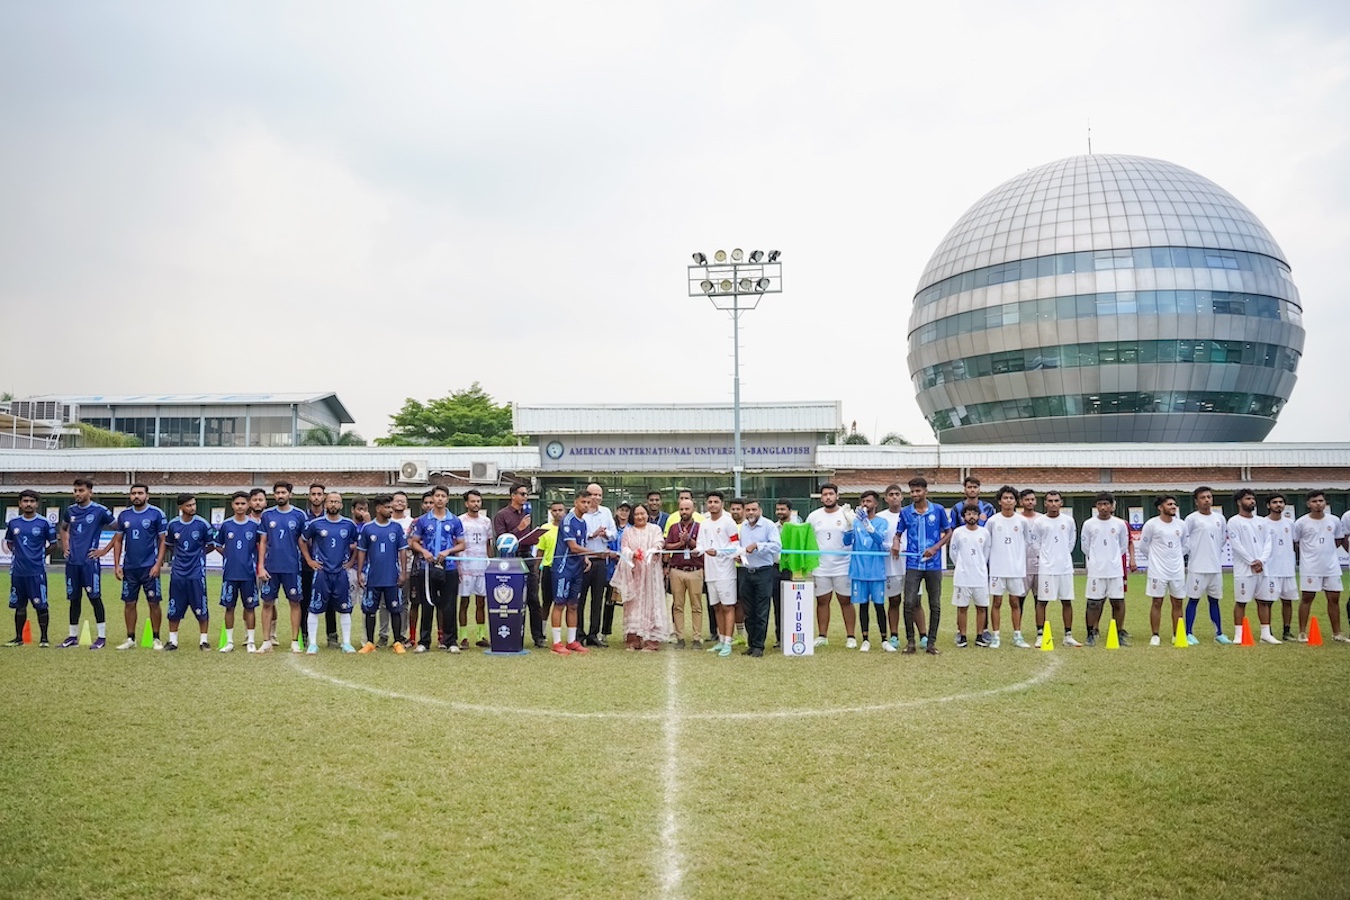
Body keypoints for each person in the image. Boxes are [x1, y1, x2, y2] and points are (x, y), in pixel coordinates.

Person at [408, 485, 466, 653]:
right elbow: (414, 541)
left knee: (449, 605)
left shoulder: (454, 520)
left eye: (443, 496)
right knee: (427, 603)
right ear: (432, 499)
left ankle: (451, 642)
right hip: (427, 569)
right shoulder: (423, 521)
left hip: (449, 568)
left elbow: (462, 544)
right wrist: (424, 551)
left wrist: (448, 551)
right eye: (437, 496)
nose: (440, 499)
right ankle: (424, 642)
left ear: (447, 499)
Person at [299, 491, 359, 654]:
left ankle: (346, 643)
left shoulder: (349, 525)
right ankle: (312, 644)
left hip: (341, 573)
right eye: (330, 501)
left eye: (336, 502)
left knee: (345, 607)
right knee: (314, 607)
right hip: (321, 573)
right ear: (325, 504)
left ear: (341, 505)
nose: (333, 504)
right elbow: (302, 540)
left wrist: (352, 561)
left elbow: (359, 544)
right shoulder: (316, 524)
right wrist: (310, 561)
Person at [58, 477, 115, 649]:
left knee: (94, 598)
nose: (77, 494)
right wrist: (65, 546)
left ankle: (102, 637)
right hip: (72, 563)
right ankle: (72, 636)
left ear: (90, 491)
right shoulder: (70, 511)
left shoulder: (100, 511)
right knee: (74, 599)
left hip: (89, 563)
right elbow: (63, 528)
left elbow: (119, 529)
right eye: (75, 490)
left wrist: (104, 551)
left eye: (81, 490)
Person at [110, 483, 168, 650]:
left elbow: (163, 540)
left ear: (147, 496)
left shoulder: (156, 514)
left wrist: (158, 563)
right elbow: (119, 540)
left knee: (154, 603)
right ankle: (130, 639)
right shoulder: (124, 515)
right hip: (130, 568)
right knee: (129, 603)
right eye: (133, 493)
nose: (137, 496)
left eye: (140, 493)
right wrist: (117, 565)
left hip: (150, 567)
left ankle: (156, 638)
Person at [899, 477, 949, 653]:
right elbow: (898, 533)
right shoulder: (905, 512)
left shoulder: (939, 510)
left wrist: (935, 548)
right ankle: (911, 642)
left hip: (933, 565)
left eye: (918, 491)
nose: (914, 494)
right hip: (913, 564)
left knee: (934, 604)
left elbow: (948, 532)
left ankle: (931, 644)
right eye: (912, 491)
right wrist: (896, 543)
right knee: (909, 602)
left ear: (925, 491)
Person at [257, 482, 308, 654]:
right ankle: (266, 641)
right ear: (274, 495)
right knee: (267, 603)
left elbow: (303, 541)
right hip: (271, 567)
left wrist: (308, 560)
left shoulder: (299, 515)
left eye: (283, 492)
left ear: (290, 495)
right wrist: (261, 566)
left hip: (292, 567)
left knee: (294, 602)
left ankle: (294, 640)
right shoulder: (267, 515)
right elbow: (263, 542)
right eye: (277, 492)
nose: (280, 495)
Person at [493, 483, 547, 649]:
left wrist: (533, 537)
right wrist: (519, 528)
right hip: (510, 559)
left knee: (533, 598)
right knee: (512, 599)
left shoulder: (527, 514)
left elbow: (527, 535)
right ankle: (513, 634)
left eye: (526, 494)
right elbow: (501, 541)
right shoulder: (502, 515)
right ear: (513, 495)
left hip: (527, 556)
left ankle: (538, 637)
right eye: (522, 494)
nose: (525, 497)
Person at [5, 489, 58, 647]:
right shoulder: (13, 523)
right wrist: (18, 553)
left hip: (36, 572)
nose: (28, 504)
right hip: (18, 572)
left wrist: (39, 555)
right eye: (25, 501)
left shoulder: (44, 523)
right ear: (20, 504)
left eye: (32, 501)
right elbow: (9, 542)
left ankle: (44, 639)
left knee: (41, 605)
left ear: (37, 504)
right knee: (19, 606)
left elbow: (53, 545)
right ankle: (18, 638)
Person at [612, 503, 669, 650]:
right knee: (633, 605)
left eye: (642, 513)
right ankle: (633, 639)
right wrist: (632, 554)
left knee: (652, 604)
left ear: (647, 514)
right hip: (634, 573)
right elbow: (624, 548)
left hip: (651, 574)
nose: (639, 517)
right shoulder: (628, 532)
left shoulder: (655, 529)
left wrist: (653, 550)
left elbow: (659, 542)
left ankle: (652, 641)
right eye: (636, 514)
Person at [160, 493, 212, 651]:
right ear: (180, 507)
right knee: (174, 606)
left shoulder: (202, 524)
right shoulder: (173, 525)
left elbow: (209, 545)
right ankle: (172, 641)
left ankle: (203, 641)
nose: (192, 508)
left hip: (196, 572)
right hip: (178, 573)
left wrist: (198, 556)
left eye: (194, 504)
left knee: (201, 606)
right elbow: (168, 544)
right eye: (189, 505)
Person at [356, 495, 408, 654]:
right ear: (378, 509)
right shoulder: (368, 528)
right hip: (373, 577)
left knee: (395, 609)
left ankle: (398, 641)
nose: (390, 510)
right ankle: (370, 643)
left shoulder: (396, 528)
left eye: (391, 507)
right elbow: (361, 552)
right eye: (387, 507)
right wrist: (359, 573)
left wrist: (404, 572)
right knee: (370, 610)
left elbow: (403, 551)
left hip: (392, 577)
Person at [1293, 490, 1347, 642]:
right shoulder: (1301, 522)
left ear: (1325, 503)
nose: (1318, 504)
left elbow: (1338, 540)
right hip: (1310, 567)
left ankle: (1337, 633)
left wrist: (1327, 554)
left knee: (1334, 598)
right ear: (1308, 504)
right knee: (1307, 598)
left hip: (1331, 566)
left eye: (1321, 501)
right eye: (1315, 501)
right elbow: (1295, 542)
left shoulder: (1334, 520)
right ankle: (1302, 632)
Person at [212, 491, 262, 652]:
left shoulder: (254, 526)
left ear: (248, 505)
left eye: (243, 504)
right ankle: (230, 642)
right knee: (229, 607)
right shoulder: (226, 525)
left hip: (248, 573)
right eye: (237, 504)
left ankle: (251, 641)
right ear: (232, 505)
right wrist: (228, 555)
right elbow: (217, 544)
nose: (240, 507)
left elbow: (261, 545)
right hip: (230, 573)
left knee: (250, 607)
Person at [806, 483, 854, 648]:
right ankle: (822, 636)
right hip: (821, 566)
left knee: (845, 600)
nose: (828, 497)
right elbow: (808, 540)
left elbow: (854, 538)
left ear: (837, 496)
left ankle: (851, 637)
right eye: (825, 494)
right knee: (822, 601)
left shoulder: (847, 514)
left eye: (831, 494)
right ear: (821, 497)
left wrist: (852, 525)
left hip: (843, 565)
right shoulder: (813, 516)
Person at [1081, 492, 1130, 646]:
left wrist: (1112, 559)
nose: (1103, 507)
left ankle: (1118, 633)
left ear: (1112, 506)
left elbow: (1123, 547)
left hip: (1115, 570)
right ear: (1096, 506)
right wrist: (1097, 560)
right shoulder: (1089, 524)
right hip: (1096, 570)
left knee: (1118, 602)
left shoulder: (1120, 524)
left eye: (1106, 504)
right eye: (1100, 504)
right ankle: (1090, 633)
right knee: (1093, 603)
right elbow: (1085, 547)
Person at [1184, 486, 1230, 645]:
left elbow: (1222, 539)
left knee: (1215, 601)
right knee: (1193, 600)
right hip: (1197, 567)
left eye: (1209, 497)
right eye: (1203, 497)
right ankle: (1188, 633)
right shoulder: (1191, 519)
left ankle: (1219, 633)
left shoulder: (1220, 518)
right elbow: (1185, 540)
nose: (1207, 500)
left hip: (1215, 567)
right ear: (1197, 501)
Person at [1032, 490, 1079, 647]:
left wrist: (1062, 556)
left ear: (1061, 502)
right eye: (1050, 501)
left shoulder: (1069, 521)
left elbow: (1071, 542)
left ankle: (1068, 635)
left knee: (1066, 601)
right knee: (1042, 601)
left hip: (1065, 568)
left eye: (1056, 501)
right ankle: (1040, 635)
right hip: (1046, 569)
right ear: (1045, 503)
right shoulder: (1039, 522)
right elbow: (1035, 544)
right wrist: (1046, 558)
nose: (1053, 504)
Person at [1138, 495, 1187, 646]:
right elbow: (1144, 547)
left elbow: (1185, 545)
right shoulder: (1152, 524)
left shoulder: (1181, 524)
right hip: (1158, 571)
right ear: (1160, 507)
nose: (1173, 506)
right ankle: (1155, 635)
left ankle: (1176, 634)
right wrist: (1156, 560)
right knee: (1157, 602)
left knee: (1178, 602)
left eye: (1174, 504)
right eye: (1169, 504)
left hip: (1177, 571)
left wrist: (1175, 559)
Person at [1227, 488, 1274, 644]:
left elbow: (1268, 543)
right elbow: (1236, 545)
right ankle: (1239, 634)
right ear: (1240, 502)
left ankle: (1265, 634)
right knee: (1241, 602)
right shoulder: (1234, 521)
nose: (1251, 501)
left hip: (1262, 568)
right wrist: (1252, 562)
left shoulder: (1262, 521)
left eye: (1253, 499)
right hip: (1244, 569)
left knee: (1264, 601)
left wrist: (1262, 560)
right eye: (1248, 499)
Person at [698, 491, 741, 657]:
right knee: (716, 607)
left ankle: (728, 643)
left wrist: (719, 553)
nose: (712, 505)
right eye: (710, 502)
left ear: (722, 504)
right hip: (711, 572)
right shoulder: (704, 523)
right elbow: (701, 544)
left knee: (727, 606)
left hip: (726, 572)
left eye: (716, 502)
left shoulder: (728, 522)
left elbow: (735, 545)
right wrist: (698, 551)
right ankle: (721, 639)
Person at [551, 488, 592, 655]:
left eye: (589, 503)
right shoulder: (568, 520)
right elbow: (573, 547)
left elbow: (581, 546)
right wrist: (595, 553)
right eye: (583, 502)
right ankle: (556, 642)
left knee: (573, 605)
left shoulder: (583, 522)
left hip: (577, 568)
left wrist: (586, 558)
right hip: (563, 567)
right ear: (576, 502)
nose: (586, 505)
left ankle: (572, 641)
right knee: (559, 603)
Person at [987, 486, 1030, 648]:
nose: (1008, 501)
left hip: (1016, 569)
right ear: (1000, 501)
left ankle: (1017, 635)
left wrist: (1018, 561)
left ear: (1016, 501)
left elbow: (1026, 542)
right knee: (996, 602)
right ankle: (996, 636)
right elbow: (988, 543)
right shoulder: (993, 521)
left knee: (1015, 602)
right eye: (1005, 498)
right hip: (997, 569)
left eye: (1011, 498)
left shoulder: (1022, 521)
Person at [738, 499, 780, 657]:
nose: (750, 513)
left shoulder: (769, 526)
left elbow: (777, 546)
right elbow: (740, 546)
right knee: (748, 611)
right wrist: (738, 554)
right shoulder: (743, 527)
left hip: (764, 572)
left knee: (762, 610)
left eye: (753, 510)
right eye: (747, 510)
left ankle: (759, 646)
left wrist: (757, 545)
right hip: (746, 571)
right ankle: (751, 644)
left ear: (760, 511)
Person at [849, 490, 889, 652]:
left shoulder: (882, 521)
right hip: (859, 570)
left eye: (869, 501)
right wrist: (847, 524)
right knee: (863, 606)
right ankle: (865, 639)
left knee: (879, 606)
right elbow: (846, 541)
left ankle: (884, 639)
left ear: (876, 504)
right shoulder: (855, 522)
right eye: (863, 501)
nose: (866, 504)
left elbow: (880, 540)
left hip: (876, 570)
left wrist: (867, 524)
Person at [949, 502, 991, 650]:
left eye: (974, 513)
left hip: (980, 576)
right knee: (962, 607)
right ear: (964, 516)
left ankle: (980, 636)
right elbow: (953, 553)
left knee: (981, 607)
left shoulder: (984, 533)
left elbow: (986, 553)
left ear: (979, 516)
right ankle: (963, 636)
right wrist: (962, 565)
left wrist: (978, 565)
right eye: (968, 514)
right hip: (963, 576)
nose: (971, 516)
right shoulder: (958, 532)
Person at [580, 483, 617, 647]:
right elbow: (576, 536)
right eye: (593, 495)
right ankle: (579, 634)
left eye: (599, 495)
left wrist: (605, 534)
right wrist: (592, 534)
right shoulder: (581, 513)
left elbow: (614, 534)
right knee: (580, 599)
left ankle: (593, 634)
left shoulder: (606, 512)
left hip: (601, 560)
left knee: (597, 599)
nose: (596, 498)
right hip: (583, 561)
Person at [457, 489, 495, 648]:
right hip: (465, 566)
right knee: (464, 602)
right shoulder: (459, 521)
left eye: (478, 501)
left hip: (482, 566)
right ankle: (463, 637)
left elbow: (488, 544)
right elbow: (456, 544)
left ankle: (481, 635)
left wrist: (491, 564)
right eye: (473, 501)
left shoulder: (486, 521)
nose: (476, 504)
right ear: (466, 503)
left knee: (481, 602)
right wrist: (458, 565)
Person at [301, 483, 337, 648]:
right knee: (306, 601)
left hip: (327, 567)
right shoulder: (302, 517)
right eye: (313, 494)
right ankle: (305, 635)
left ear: (324, 497)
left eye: (319, 494)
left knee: (330, 602)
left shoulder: (331, 516)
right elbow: (299, 540)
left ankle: (332, 636)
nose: (316, 497)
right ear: (309, 496)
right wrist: (308, 560)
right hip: (306, 567)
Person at [665, 497, 704, 649]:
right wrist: (680, 544)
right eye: (681, 509)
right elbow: (667, 546)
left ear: (693, 510)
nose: (684, 512)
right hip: (677, 570)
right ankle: (679, 637)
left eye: (687, 509)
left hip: (695, 570)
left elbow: (703, 546)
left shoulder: (701, 527)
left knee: (697, 606)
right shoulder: (674, 528)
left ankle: (696, 638)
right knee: (678, 606)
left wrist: (689, 541)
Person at [875, 484, 907, 652]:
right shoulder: (880, 518)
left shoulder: (910, 514)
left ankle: (921, 635)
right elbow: (878, 539)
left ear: (902, 497)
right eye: (891, 494)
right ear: (886, 498)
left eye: (897, 494)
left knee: (914, 601)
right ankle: (894, 635)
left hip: (909, 564)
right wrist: (890, 546)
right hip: (889, 565)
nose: (894, 497)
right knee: (894, 600)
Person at [1263, 494, 1300, 642]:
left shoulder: (1290, 524)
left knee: (1287, 601)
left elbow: (1296, 543)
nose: (1278, 505)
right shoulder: (1263, 523)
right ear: (1268, 505)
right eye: (1274, 502)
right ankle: (1268, 631)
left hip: (1288, 569)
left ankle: (1286, 631)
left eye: (1281, 502)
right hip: (1270, 569)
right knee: (1268, 601)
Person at [403, 491, 433, 649]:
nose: (429, 505)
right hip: (418, 567)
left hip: (438, 567)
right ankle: (412, 637)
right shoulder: (416, 522)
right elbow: (409, 542)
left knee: (439, 603)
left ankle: (441, 638)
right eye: (426, 503)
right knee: (415, 603)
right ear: (422, 505)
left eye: (431, 502)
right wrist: (422, 548)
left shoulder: (443, 521)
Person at [600, 503, 631, 645]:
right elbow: (605, 543)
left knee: (628, 602)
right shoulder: (612, 528)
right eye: (621, 510)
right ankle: (605, 632)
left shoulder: (631, 529)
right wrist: (610, 553)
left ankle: (629, 632)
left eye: (626, 510)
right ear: (616, 511)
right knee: (608, 602)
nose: (623, 513)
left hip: (627, 570)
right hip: (610, 569)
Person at [537, 500, 565, 628]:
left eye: (560, 510)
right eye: (555, 510)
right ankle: (542, 629)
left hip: (565, 569)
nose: (557, 513)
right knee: (547, 601)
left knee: (563, 602)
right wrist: (537, 570)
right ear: (551, 512)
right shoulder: (545, 528)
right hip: (548, 568)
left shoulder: (568, 528)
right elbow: (540, 551)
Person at [1019, 489, 1040, 607]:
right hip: (1023, 566)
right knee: (1019, 600)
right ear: (1021, 502)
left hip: (1040, 565)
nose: (1030, 502)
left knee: (1040, 600)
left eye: (1032, 499)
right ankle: (1018, 626)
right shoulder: (1017, 519)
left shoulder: (1042, 519)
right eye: (1027, 500)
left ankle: (1040, 626)